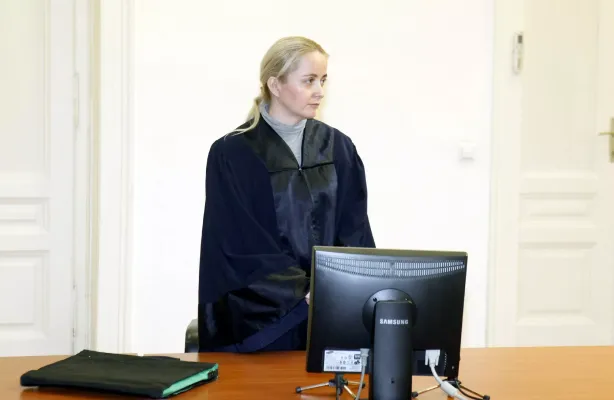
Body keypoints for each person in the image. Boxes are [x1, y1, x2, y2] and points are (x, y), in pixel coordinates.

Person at [198, 36, 375, 353]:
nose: (319, 91)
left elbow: (355, 229)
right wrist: (302, 291)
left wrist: (336, 287)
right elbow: (238, 241)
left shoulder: (338, 148)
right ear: (275, 85)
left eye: (322, 80)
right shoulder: (233, 153)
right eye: (309, 80)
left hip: (330, 315)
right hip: (260, 321)